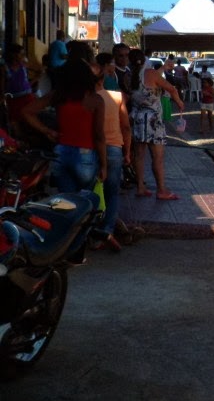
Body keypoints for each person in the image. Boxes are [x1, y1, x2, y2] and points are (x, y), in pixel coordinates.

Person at [22, 44, 107, 194]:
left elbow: (27, 111)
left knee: (66, 203)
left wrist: (46, 130)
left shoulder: (58, 95)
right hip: (85, 154)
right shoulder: (96, 100)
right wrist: (104, 164)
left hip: (61, 151)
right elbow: (99, 135)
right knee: (84, 203)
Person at [129, 48, 184, 199]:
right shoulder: (150, 73)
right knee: (157, 157)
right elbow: (171, 88)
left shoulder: (130, 76)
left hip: (137, 119)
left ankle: (140, 187)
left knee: (139, 156)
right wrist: (179, 101)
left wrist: (163, 68)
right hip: (153, 120)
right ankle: (161, 189)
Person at [95, 53, 131, 251]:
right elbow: (126, 127)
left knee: (94, 191)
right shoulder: (117, 97)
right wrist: (128, 152)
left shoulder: (88, 100)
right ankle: (107, 230)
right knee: (112, 193)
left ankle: (91, 231)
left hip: (93, 149)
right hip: (115, 148)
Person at [3, 44, 34, 136]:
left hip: (27, 97)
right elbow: (3, 85)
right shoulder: (5, 68)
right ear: (13, 55)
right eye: (21, 54)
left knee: (29, 121)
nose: (23, 56)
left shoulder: (24, 65)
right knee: (15, 122)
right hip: (13, 99)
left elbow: (26, 81)